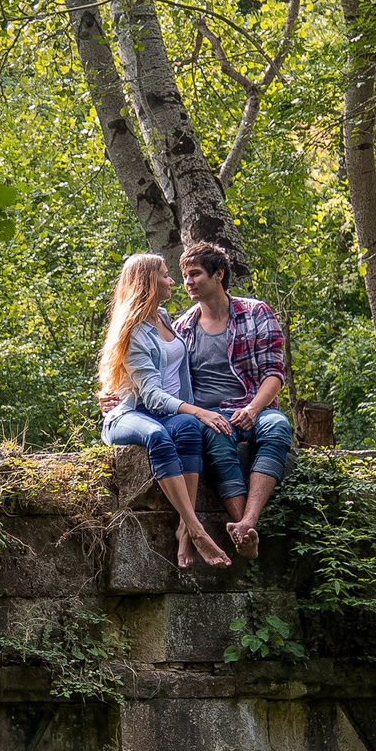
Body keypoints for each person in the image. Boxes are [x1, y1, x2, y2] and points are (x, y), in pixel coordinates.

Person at [97, 252, 234, 567]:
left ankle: (183, 531)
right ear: (148, 281)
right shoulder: (132, 331)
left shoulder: (163, 317)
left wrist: (193, 414)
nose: (173, 280)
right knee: (159, 435)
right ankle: (196, 528)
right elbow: (152, 396)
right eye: (166, 274)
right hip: (129, 415)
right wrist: (199, 410)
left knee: (188, 428)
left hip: (163, 414)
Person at [172, 240, 292, 556]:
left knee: (278, 426)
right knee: (217, 437)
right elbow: (159, 378)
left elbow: (275, 374)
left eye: (195, 274)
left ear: (219, 274)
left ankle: (249, 520)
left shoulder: (256, 313)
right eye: (185, 276)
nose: (188, 282)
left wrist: (253, 409)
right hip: (210, 414)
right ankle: (244, 532)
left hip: (255, 405)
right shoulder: (182, 328)